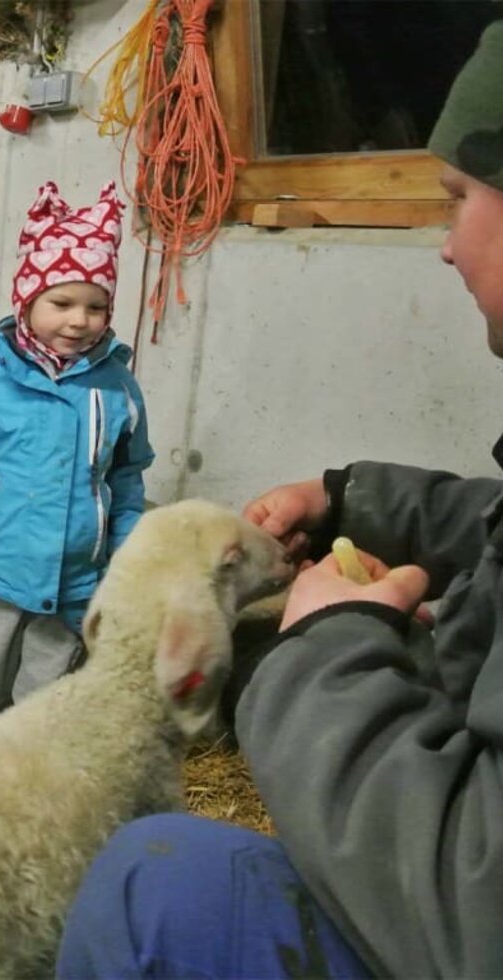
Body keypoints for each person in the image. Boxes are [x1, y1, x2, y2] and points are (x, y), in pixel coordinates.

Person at [56, 20, 503, 980]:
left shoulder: (117, 389)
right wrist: (351, 500)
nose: (442, 244)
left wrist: (327, 654)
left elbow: (479, 908)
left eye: (458, 200)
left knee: (144, 875)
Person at [0, 181, 154, 738]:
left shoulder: (117, 387)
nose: (78, 320)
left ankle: (26, 797)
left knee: (47, 710)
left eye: (95, 307)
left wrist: (124, 556)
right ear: (27, 299)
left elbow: (126, 477)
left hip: (76, 579)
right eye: (61, 302)